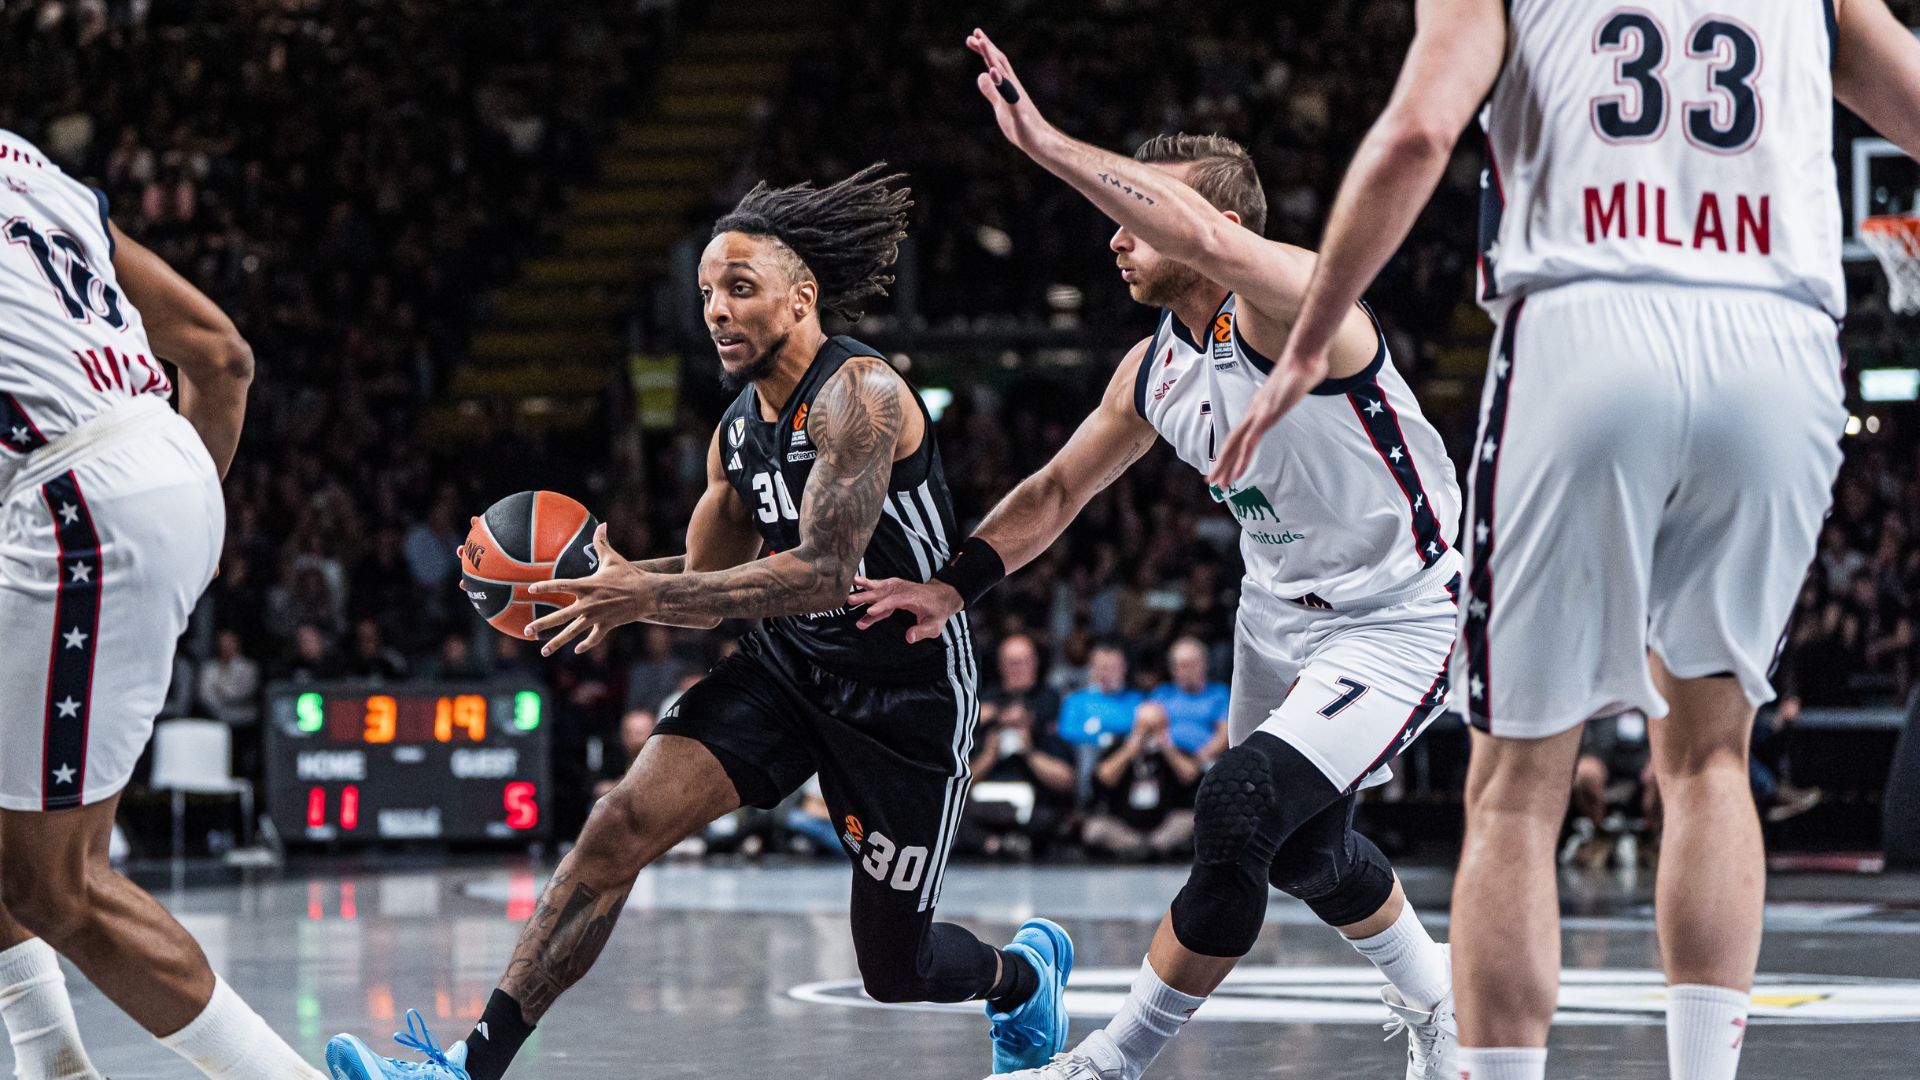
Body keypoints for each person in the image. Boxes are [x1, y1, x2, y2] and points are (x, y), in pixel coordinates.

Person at [1204, 3, 1920, 1077]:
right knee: (1711, 760)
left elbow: (1417, 132)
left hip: (1589, 321)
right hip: (1779, 339)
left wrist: (1310, 340)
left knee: (1518, 786)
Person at [325, 166, 1073, 1080]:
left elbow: (823, 571)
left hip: (905, 695)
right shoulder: (734, 434)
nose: (717, 310)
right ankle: (463, 1069)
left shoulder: (862, 395)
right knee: (616, 827)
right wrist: (596, 583)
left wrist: (640, 597)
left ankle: (1021, 978)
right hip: (787, 669)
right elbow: (714, 582)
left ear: (802, 299)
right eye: (707, 293)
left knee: (895, 969)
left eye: (740, 289)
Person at [852, 32, 1463, 1080]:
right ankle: (1438, 996)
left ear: (1216, 228)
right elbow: (1057, 491)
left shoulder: (1301, 308)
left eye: (1139, 212)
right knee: (1304, 850)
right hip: (1276, 614)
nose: (1115, 236)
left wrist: (1046, 143)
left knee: (1238, 810)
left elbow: (1227, 250)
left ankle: (1106, 1066)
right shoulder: (1153, 368)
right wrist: (952, 585)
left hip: (1398, 614)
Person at [0, 129, 324, 1079]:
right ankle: (55, 1067)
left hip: (76, 498)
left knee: (59, 887)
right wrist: (183, 526)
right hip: (162, 463)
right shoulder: (31, 171)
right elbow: (223, 357)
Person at [1081, 704, 1201, 861]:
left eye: (1154, 727)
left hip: (1164, 828)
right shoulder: (1118, 748)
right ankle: (1141, 849)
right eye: (1144, 727)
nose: (1149, 733)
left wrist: (1166, 747)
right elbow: (1103, 778)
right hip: (1124, 828)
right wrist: (1131, 749)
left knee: (1192, 821)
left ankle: (1150, 849)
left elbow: (1192, 776)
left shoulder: (1177, 750)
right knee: (1095, 829)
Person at [1147, 636, 1230, 763]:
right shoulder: (1163, 693)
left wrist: (1198, 760)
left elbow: (1224, 734)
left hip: (1205, 761)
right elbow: (1148, 727)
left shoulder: (1219, 694)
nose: (1182, 671)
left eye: (1188, 665)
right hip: (1166, 758)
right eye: (1177, 666)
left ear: (1204, 664)